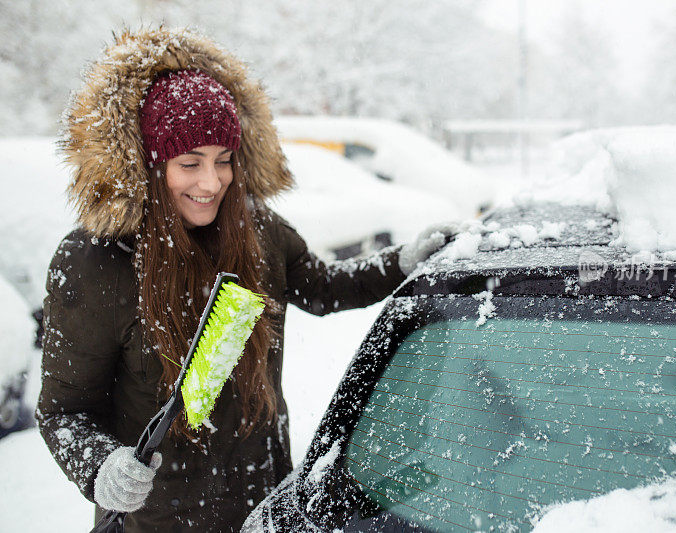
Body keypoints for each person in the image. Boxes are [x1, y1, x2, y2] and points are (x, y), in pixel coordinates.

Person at [38, 27, 452, 532]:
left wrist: (401, 262)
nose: (211, 183)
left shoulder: (257, 231)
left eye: (223, 161)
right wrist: (100, 465)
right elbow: (64, 411)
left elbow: (323, 287)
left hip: (263, 505)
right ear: (150, 164)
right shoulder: (98, 262)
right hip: (159, 521)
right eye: (189, 163)